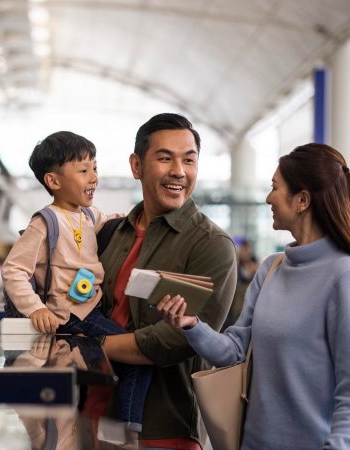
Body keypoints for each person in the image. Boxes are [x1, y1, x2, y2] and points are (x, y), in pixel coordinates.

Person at [158, 143, 350, 449]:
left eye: (275, 188)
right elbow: (235, 349)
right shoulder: (271, 268)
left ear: (301, 200)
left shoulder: (344, 276)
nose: (268, 198)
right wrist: (191, 324)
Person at [96, 113, 237, 449]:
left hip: (164, 427)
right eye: (165, 158)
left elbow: (175, 339)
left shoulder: (211, 244)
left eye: (189, 160)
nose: (179, 171)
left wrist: (91, 347)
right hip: (98, 411)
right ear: (136, 165)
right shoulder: (114, 233)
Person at [1, 130, 148, 432]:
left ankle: (117, 426)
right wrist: (35, 309)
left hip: (89, 312)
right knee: (138, 354)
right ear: (53, 182)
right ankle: (126, 428)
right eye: (83, 170)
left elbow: (115, 220)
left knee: (106, 370)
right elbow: (13, 270)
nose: (93, 177)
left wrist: (141, 214)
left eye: (95, 167)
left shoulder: (89, 216)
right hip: (70, 316)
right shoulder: (44, 222)